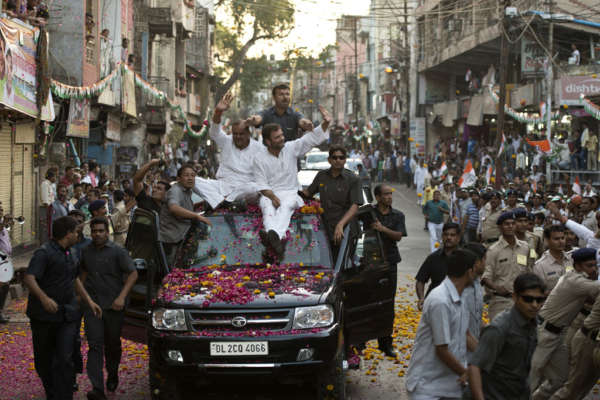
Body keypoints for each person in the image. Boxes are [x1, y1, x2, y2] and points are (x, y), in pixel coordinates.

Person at [23, 216, 102, 400]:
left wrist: (89, 301)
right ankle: (52, 392)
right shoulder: (43, 253)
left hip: (67, 315)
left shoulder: (73, 252)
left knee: (65, 357)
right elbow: (29, 278)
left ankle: (65, 394)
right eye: (76, 232)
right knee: (44, 361)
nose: (78, 235)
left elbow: (74, 279)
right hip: (43, 317)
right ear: (68, 234)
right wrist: (44, 299)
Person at [252, 105, 331, 258]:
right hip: (270, 194)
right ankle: (275, 238)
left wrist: (326, 123)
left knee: (286, 205)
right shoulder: (259, 158)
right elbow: (261, 184)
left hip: (291, 193)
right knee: (267, 206)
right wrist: (273, 197)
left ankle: (272, 235)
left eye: (282, 135)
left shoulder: (291, 148)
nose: (282, 138)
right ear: (268, 142)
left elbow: (310, 139)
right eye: (277, 137)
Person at [529, 247, 600, 400]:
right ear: (578, 266)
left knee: (560, 378)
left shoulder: (577, 278)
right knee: (533, 376)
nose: (594, 269)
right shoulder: (575, 281)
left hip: (558, 334)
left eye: (595, 265)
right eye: (589, 266)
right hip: (545, 332)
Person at [406, 249, 478, 399]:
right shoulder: (440, 301)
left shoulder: (461, 296)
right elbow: (442, 350)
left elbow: (465, 335)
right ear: (469, 271)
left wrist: (485, 360)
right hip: (428, 387)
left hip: (451, 385)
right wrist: (467, 373)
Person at [80, 217, 138, 400]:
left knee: (112, 344)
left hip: (113, 306)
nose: (97, 234)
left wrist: (121, 297)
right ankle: (97, 387)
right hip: (92, 306)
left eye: (101, 231)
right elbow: (82, 275)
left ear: (107, 232)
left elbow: (133, 273)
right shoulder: (85, 251)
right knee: (95, 345)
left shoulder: (118, 252)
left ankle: (112, 374)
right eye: (94, 231)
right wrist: (80, 298)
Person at [467, 273, 546, 400]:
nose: (535, 305)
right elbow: (475, 366)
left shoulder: (534, 323)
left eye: (539, 300)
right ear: (515, 297)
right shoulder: (500, 327)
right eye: (528, 299)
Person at [194, 92, 262, 210]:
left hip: (244, 190)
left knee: (255, 188)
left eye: (241, 134)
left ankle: (220, 201)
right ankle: (224, 202)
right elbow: (215, 132)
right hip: (222, 186)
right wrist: (218, 112)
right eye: (235, 134)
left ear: (248, 134)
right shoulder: (226, 141)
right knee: (193, 181)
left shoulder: (259, 148)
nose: (238, 137)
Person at [302, 145, 362, 259]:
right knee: (327, 262)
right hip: (326, 228)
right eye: (335, 157)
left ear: (345, 160)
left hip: (346, 229)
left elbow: (355, 206)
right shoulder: (321, 176)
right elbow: (308, 194)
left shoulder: (353, 179)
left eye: (341, 157)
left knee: (344, 264)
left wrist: (341, 224)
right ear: (329, 160)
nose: (338, 160)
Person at [371, 183, 407, 357]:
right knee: (367, 301)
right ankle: (361, 342)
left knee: (388, 304)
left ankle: (386, 344)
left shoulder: (398, 215)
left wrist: (382, 229)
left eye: (390, 194)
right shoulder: (368, 214)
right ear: (377, 197)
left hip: (390, 263)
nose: (389, 197)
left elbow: (398, 236)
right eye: (385, 194)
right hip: (369, 264)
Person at [481, 211, 531, 320]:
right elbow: (486, 276)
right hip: (500, 301)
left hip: (521, 300)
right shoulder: (493, 250)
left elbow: (528, 271)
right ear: (500, 227)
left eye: (513, 223)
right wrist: (496, 288)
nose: (510, 226)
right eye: (506, 224)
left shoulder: (525, 247)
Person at [159, 164, 211, 262]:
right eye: (186, 175)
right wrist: (197, 216)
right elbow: (174, 208)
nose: (190, 178)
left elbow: (184, 208)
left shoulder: (187, 191)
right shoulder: (176, 191)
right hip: (172, 241)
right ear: (179, 178)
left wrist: (202, 204)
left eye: (192, 175)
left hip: (181, 238)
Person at [415, 222, 461, 310]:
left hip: (457, 303)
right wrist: (421, 298)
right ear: (442, 236)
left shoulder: (465, 258)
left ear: (458, 238)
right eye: (446, 235)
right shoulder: (433, 258)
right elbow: (420, 280)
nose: (449, 238)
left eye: (452, 235)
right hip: (435, 302)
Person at [247, 83, 312, 142]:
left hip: (290, 154)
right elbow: (259, 118)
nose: (285, 97)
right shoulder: (267, 114)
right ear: (274, 97)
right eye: (281, 94)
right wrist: (254, 120)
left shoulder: (295, 114)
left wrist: (305, 123)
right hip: (270, 153)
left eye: (287, 94)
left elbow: (301, 121)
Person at [532, 225, 571, 293]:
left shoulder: (572, 259)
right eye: (556, 239)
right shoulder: (540, 266)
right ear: (547, 240)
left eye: (562, 238)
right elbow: (539, 292)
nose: (561, 241)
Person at [462, 242, 487, 343]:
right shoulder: (461, 291)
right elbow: (462, 331)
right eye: (485, 259)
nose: (486, 263)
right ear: (477, 262)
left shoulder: (477, 283)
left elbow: (476, 319)